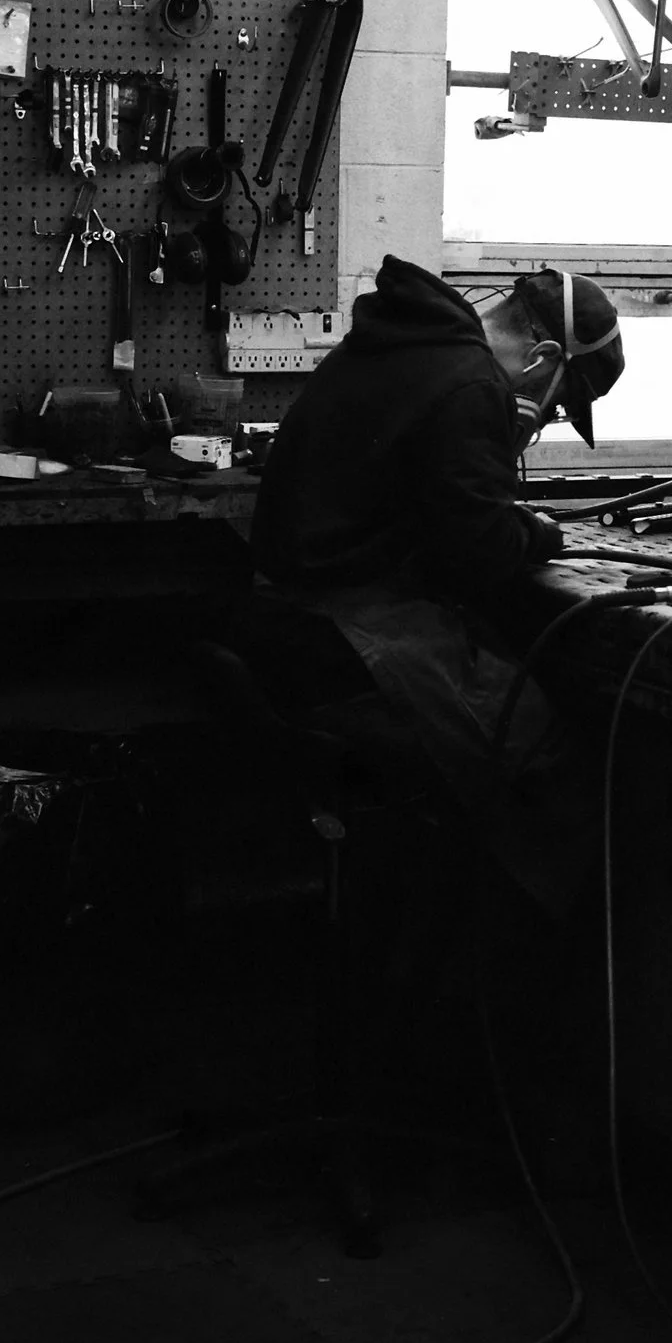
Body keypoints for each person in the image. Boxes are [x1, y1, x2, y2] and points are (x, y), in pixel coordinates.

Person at [246, 252, 623, 917]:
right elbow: (480, 553)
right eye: (560, 402)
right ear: (539, 360)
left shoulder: (400, 343)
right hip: (346, 633)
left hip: (286, 620)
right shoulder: (471, 384)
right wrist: (539, 533)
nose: (548, 416)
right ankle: (541, 969)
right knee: (549, 757)